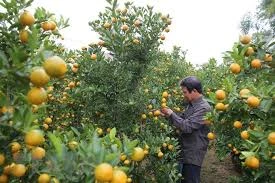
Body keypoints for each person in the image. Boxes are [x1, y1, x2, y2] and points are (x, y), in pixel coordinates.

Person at [161, 76, 211, 183]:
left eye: (185, 92)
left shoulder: (204, 108)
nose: (184, 95)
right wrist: (168, 115)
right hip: (184, 151)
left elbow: (187, 127)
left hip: (193, 154)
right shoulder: (191, 105)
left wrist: (171, 114)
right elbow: (182, 120)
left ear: (194, 91)